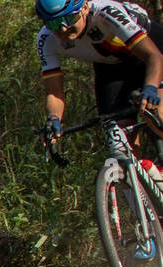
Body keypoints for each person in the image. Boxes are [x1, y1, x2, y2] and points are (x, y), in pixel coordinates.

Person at [37, 0, 163, 172]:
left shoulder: (106, 13)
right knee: (119, 144)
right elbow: (54, 92)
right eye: (54, 23)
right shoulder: (46, 39)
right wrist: (53, 119)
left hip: (152, 53)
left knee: (157, 114)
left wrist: (151, 87)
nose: (63, 28)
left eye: (70, 18)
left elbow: (153, 56)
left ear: (85, 8)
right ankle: (143, 182)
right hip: (111, 68)